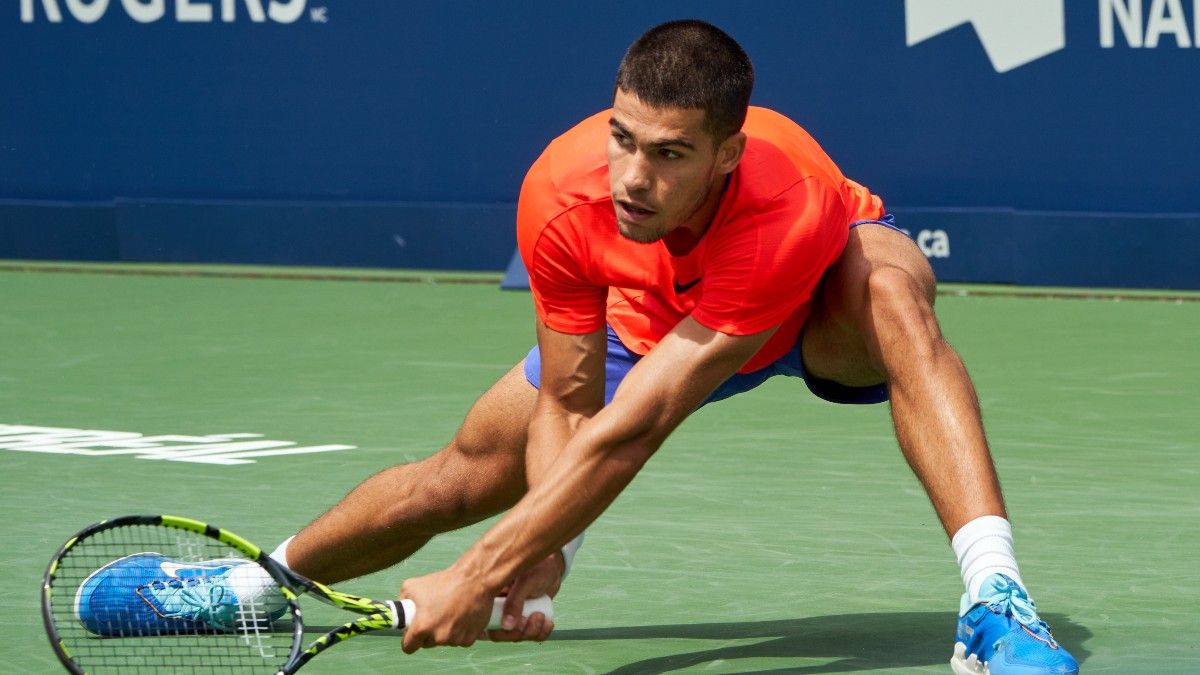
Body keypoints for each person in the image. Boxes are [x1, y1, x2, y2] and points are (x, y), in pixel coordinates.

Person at [82, 20, 1077, 674]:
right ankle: (244, 590)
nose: (635, 177)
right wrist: (548, 549)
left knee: (893, 291)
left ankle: (996, 600)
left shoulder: (783, 203)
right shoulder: (561, 194)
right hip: (653, 325)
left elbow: (641, 425)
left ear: (727, 155)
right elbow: (571, 400)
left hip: (813, 305)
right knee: (464, 473)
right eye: (624, 139)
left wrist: (476, 578)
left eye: (672, 155)